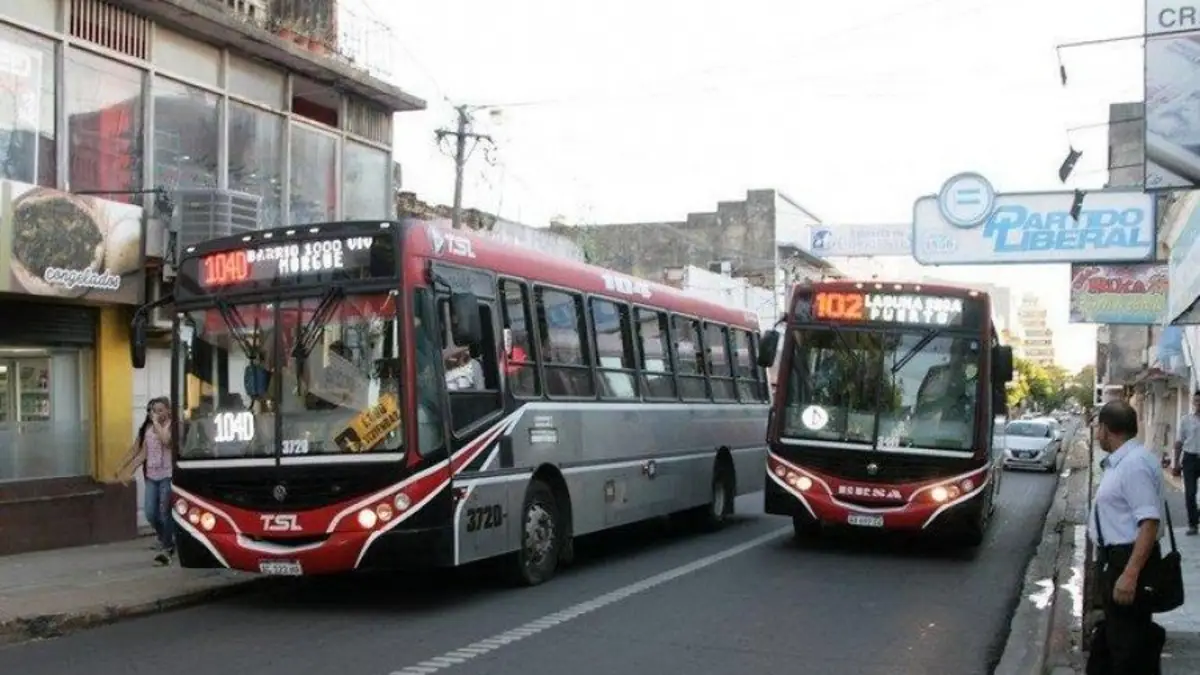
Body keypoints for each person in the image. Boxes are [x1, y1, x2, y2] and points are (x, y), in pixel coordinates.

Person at [1087, 400, 1167, 674]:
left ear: (1105, 429)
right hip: (1116, 561)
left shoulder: (1134, 465)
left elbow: (1149, 522)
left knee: (1129, 652)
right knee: (1112, 646)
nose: (1097, 434)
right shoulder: (1123, 462)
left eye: (1098, 427)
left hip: (1127, 561)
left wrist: (1130, 574)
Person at [115, 397, 175, 565]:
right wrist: (128, 471)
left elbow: (167, 441)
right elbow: (142, 453)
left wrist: (156, 424)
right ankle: (165, 539)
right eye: (154, 411)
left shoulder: (172, 426)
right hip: (152, 476)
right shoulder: (148, 430)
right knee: (150, 513)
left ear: (168, 410)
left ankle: (167, 547)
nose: (156, 414)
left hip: (167, 475)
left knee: (165, 513)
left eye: (160, 410)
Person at [1172, 390, 1200, 535]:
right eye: (1196, 401)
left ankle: (1197, 514)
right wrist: (1176, 463)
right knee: (1190, 493)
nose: (1198, 403)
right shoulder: (1186, 420)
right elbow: (1179, 443)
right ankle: (1193, 524)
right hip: (1190, 459)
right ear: (1193, 402)